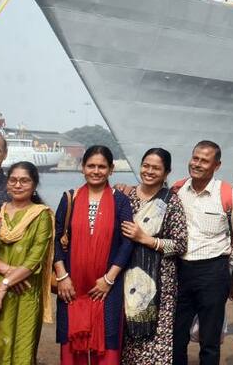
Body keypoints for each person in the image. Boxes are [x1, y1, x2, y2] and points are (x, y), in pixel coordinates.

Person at [172, 140, 233, 365]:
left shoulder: (229, 195)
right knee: (176, 337)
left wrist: (226, 266)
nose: (197, 164)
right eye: (195, 158)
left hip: (213, 272)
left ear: (216, 165)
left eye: (204, 160)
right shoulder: (177, 190)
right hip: (180, 271)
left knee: (210, 340)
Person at [53, 145, 135, 365]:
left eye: (102, 166)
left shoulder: (121, 201)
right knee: (72, 344)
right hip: (72, 286)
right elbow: (57, 240)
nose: (96, 171)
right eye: (91, 166)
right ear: (82, 168)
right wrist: (62, 277)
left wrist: (109, 280)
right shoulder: (69, 198)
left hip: (107, 287)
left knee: (108, 346)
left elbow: (127, 243)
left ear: (111, 169)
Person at [119, 148, 188, 365]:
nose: (149, 171)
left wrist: (146, 239)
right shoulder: (125, 197)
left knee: (156, 343)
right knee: (128, 339)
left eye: (156, 168)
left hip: (159, 283)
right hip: (126, 277)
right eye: (146, 165)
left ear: (166, 173)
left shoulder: (171, 202)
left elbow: (180, 244)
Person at [0, 161, 52, 365]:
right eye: (13, 180)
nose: (18, 185)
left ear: (34, 186)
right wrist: (8, 275)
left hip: (26, 292)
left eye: (24, 181)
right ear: (7, 184)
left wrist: (4, 285)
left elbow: (35, 258)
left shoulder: (41, 215)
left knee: (23, 348)